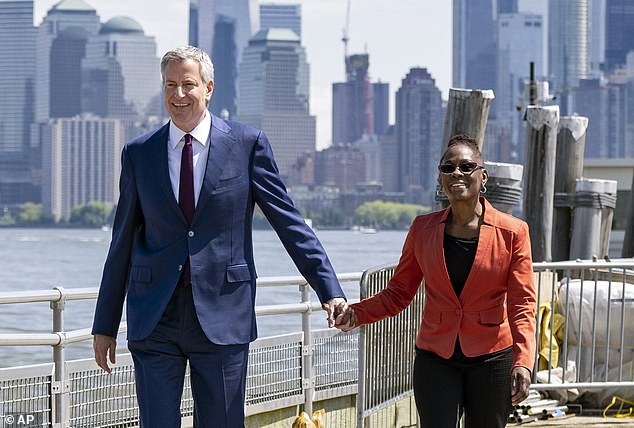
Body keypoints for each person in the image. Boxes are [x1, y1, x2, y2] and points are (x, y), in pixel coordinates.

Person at [91, 45, 348, 428]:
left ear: (209, 88)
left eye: (188, 85)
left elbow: (289, 223)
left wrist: (330, 290)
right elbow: (122, 241)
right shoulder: (139, 153)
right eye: (170, 85)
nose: (178, 95)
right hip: (154, 317)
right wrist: (104, 323)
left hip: (224, 314)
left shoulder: (248, 145)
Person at [336, 134, 536, 428]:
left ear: (483, 177)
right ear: (441, 178)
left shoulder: (513, 232)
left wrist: (523, 361)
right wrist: (356, 313)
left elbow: (522, 305)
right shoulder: (422, 229)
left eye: (467, 166)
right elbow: (398, 293)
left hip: (492, 358)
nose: (457, 173)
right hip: (436, 358)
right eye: (448, 167)